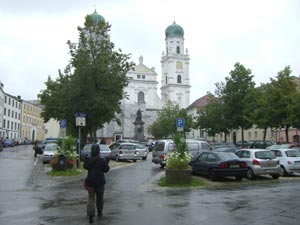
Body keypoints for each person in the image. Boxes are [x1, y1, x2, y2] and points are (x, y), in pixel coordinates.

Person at [84, 144, 110, 223]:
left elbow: (85, 166)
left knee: (91, 198)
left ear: (91, 150)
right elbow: (106, 170)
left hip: (90, 181)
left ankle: (91, 215)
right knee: (100, 198)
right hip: (100, 182)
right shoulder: (102, 160)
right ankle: (99, 212)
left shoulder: (88, 159)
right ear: (99, 151)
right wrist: (107, 162)